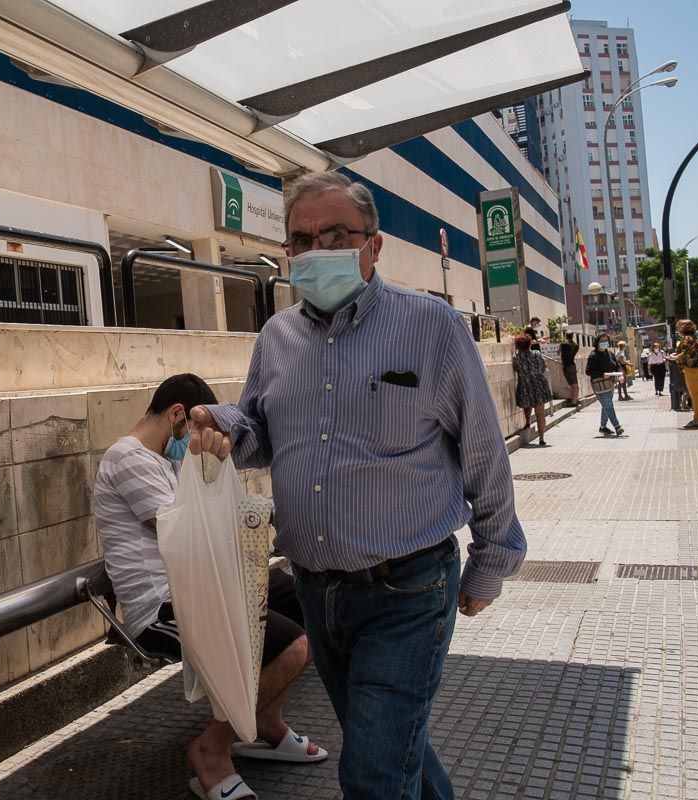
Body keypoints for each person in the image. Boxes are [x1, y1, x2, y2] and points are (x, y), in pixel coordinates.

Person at [190, 171, 527, 800]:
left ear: (374, 245)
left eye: (335, 234)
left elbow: (483, 448)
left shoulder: (431, 327)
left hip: (407, 590)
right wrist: (224, 427)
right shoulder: (277, 337)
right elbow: (263, 430)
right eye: (301, 239)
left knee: (373, 775)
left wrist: (492, 561)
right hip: (319, 592)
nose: (316, 250)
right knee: (398, 752)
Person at [92, 373, 326, 800]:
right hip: (163, 604)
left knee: (307, 600)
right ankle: (212, 750)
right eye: (195, 431)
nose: (194, 442)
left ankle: (264, 721)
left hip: (203, 586)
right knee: (293, 647)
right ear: (177, 414)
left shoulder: (169, 460)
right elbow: (184, 534)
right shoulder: (127, 458)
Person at [669, 318, 698, 429]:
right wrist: (676, 355)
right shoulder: (695, 337)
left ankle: (697, 420)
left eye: (679, 327)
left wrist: (673, 358)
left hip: (692, 368)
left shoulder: (686, 338)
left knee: (695, 395)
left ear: (682, 328)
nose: (678, 329)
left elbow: (685, 352)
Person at [513, 334, 552, 446]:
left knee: (527, 405)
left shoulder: (516, 358)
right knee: (540, 414)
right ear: (529, 344)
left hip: (525, 385)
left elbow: (516, 369)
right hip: (539, 385)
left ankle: (527, 422)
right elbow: (543, 366)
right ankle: (541, 438)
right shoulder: (537, 354)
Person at [585, 333, 625, 436]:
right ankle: (617, 426)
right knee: (608, 405)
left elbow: (617, 366)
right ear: (597, 343)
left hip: (610, 384)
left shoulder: (610, 354)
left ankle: (603, 427)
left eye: (606, 341)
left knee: (606, 406)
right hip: (599, 385)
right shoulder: (593, 355)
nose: (604, 343)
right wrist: (602, 375)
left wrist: (620, 375)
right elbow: (588, 371)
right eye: (602, 341)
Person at [559, 333, 580, 406]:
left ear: (565, 336)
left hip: (567, 366)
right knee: (575, 384)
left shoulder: (563, 344)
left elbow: (559, 352)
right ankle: (575, 399)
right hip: (573, 365)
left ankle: (574, 401)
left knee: (573, 384)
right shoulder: (576, 345)